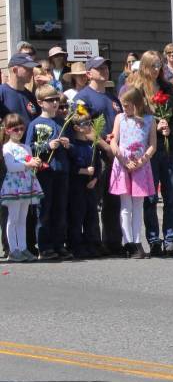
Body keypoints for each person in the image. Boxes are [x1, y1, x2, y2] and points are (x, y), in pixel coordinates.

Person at [127, 50, 173, 257]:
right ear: (144, 67)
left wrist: (170, 127)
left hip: (170, 147)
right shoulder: (137, 90)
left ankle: (170, 239)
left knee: (170, 194)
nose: (157, 69)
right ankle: (153, 240)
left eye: (159, 65)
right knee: (150, 197)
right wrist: (153, 125)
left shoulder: (168, 88)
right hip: (148, 148)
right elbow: (132, 117)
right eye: (153, 65)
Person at [75, 56, 121, 256]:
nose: (104, 71)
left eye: (106, 67)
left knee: (113, 202)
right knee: (93, 202)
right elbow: (83, 127)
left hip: (115, 154)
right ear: (88, 74)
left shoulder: (113, 98)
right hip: (96, 154)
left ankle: (113, 242)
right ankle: (93, 242)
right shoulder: (82, 97)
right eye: (99, 68)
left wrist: (117, 147)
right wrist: (105, 146)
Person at [109, 87, 158, 260]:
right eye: (123, 105)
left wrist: (142, 160)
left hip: (140, 165)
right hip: (122, 163)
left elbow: (152, 144)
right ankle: (128, 242)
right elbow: (114, 142)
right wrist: (123, 160)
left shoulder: (149, 120)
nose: (124, 109)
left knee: (138, 205)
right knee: (125, 206)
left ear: (137, 104)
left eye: (128, 105)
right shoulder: (120, 118)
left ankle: (137, 241)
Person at [27, 85, 72, 260]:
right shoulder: (35, 123)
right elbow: (29, 147)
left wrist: (69, 145)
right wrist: (47, 146)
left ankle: (58, 244)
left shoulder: (62, 122)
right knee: (44, 210)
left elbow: (73, 147)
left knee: (60, 209)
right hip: (45, 172)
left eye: (56, 100)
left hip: (62, 170)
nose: (54, 103)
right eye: (50, 100)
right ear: (40, 103)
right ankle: (44, 247)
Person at [2, 114, 43, 261]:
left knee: (22, 218)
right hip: (14, 186)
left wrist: (35, 163)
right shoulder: (7, 147)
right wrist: (28, 164)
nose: (19, 132)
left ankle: (23, 248)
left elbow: (29, 164)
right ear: (7, 131)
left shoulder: (26, 147)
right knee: (13, 218)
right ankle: (13, 250)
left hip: (26, 184)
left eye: (21, 129)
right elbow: (11, 167)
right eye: (15, 129)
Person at [67, 114, 100, 258]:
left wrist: (95, 178)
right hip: (77, 185)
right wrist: (83, 171)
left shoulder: (91, 145)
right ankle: (76, 245)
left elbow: (98, 164)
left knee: (91, 215)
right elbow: (70, 166)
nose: (89, 126)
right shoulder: (73, 146)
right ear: (76, 128)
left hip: (90, 185)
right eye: (85, 123)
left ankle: (90, 244)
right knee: (77, 215)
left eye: (89, 123)